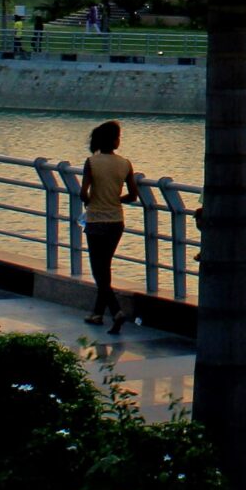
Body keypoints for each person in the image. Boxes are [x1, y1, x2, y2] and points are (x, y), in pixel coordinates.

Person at [79, 120, 139, 335]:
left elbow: (83, 192)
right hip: (116, 221)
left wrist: (91, 201)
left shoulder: (91, 162)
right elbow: (133, 195)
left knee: (99, 269)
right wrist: (116, 199)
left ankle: (115, 311)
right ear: (114, 141)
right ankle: (97, 313)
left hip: (96, 220)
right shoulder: (125, 164)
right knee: (105, 267)